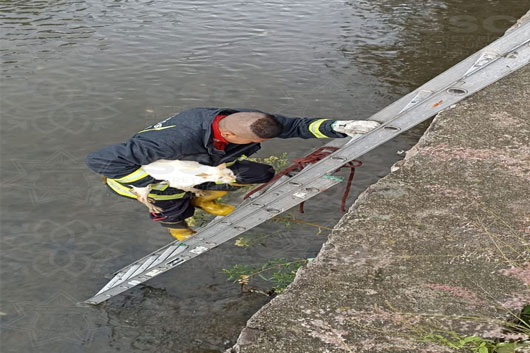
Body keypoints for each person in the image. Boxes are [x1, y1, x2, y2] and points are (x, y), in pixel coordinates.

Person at [86, 107, 379, 240]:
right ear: (226, 132)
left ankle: (205, 201)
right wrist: (160, 180)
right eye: (251, 142)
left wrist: (338, 126)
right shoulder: (172, 140)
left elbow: (295, 126)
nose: (257, 144)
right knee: (172, 205)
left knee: (261, 173)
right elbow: (101, 161)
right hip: (148, 180)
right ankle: (179, 231)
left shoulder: (251, 120)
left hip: (200, 168)